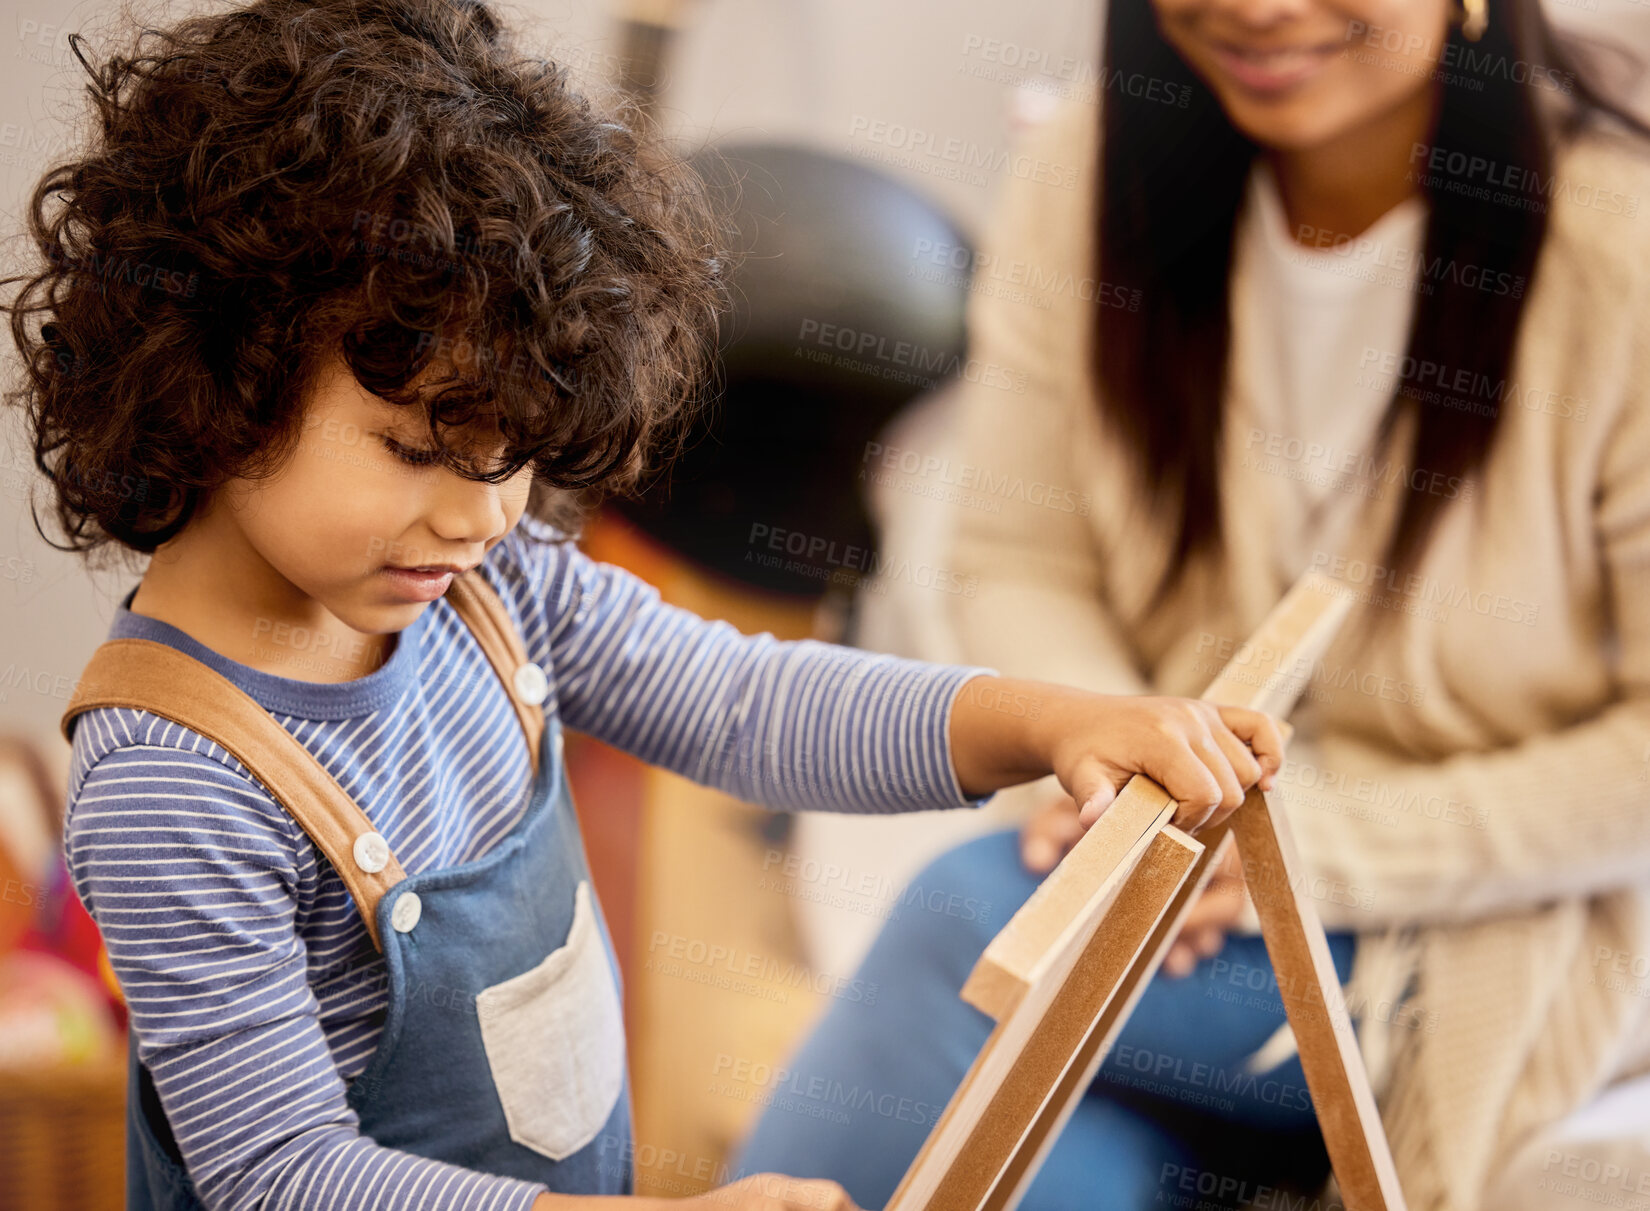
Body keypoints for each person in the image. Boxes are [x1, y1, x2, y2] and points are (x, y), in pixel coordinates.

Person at [0, 1, 1293, 1208]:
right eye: (414, 450)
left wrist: (1052, 724)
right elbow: (281, 1172)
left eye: (510, 454)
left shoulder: (483, 590)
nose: (481, 513)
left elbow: (746, 701)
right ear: (210, 380)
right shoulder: (175, 780)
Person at [735, 1, 1650, 1209]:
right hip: (1178, 831)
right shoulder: (1098, 167)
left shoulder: (1617, 250)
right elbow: (1016, 553)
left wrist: (1302, 847)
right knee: (1080, 1168)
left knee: (967, 923)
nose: (1256, 10)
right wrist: (1133, 767)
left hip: (1497, 899)